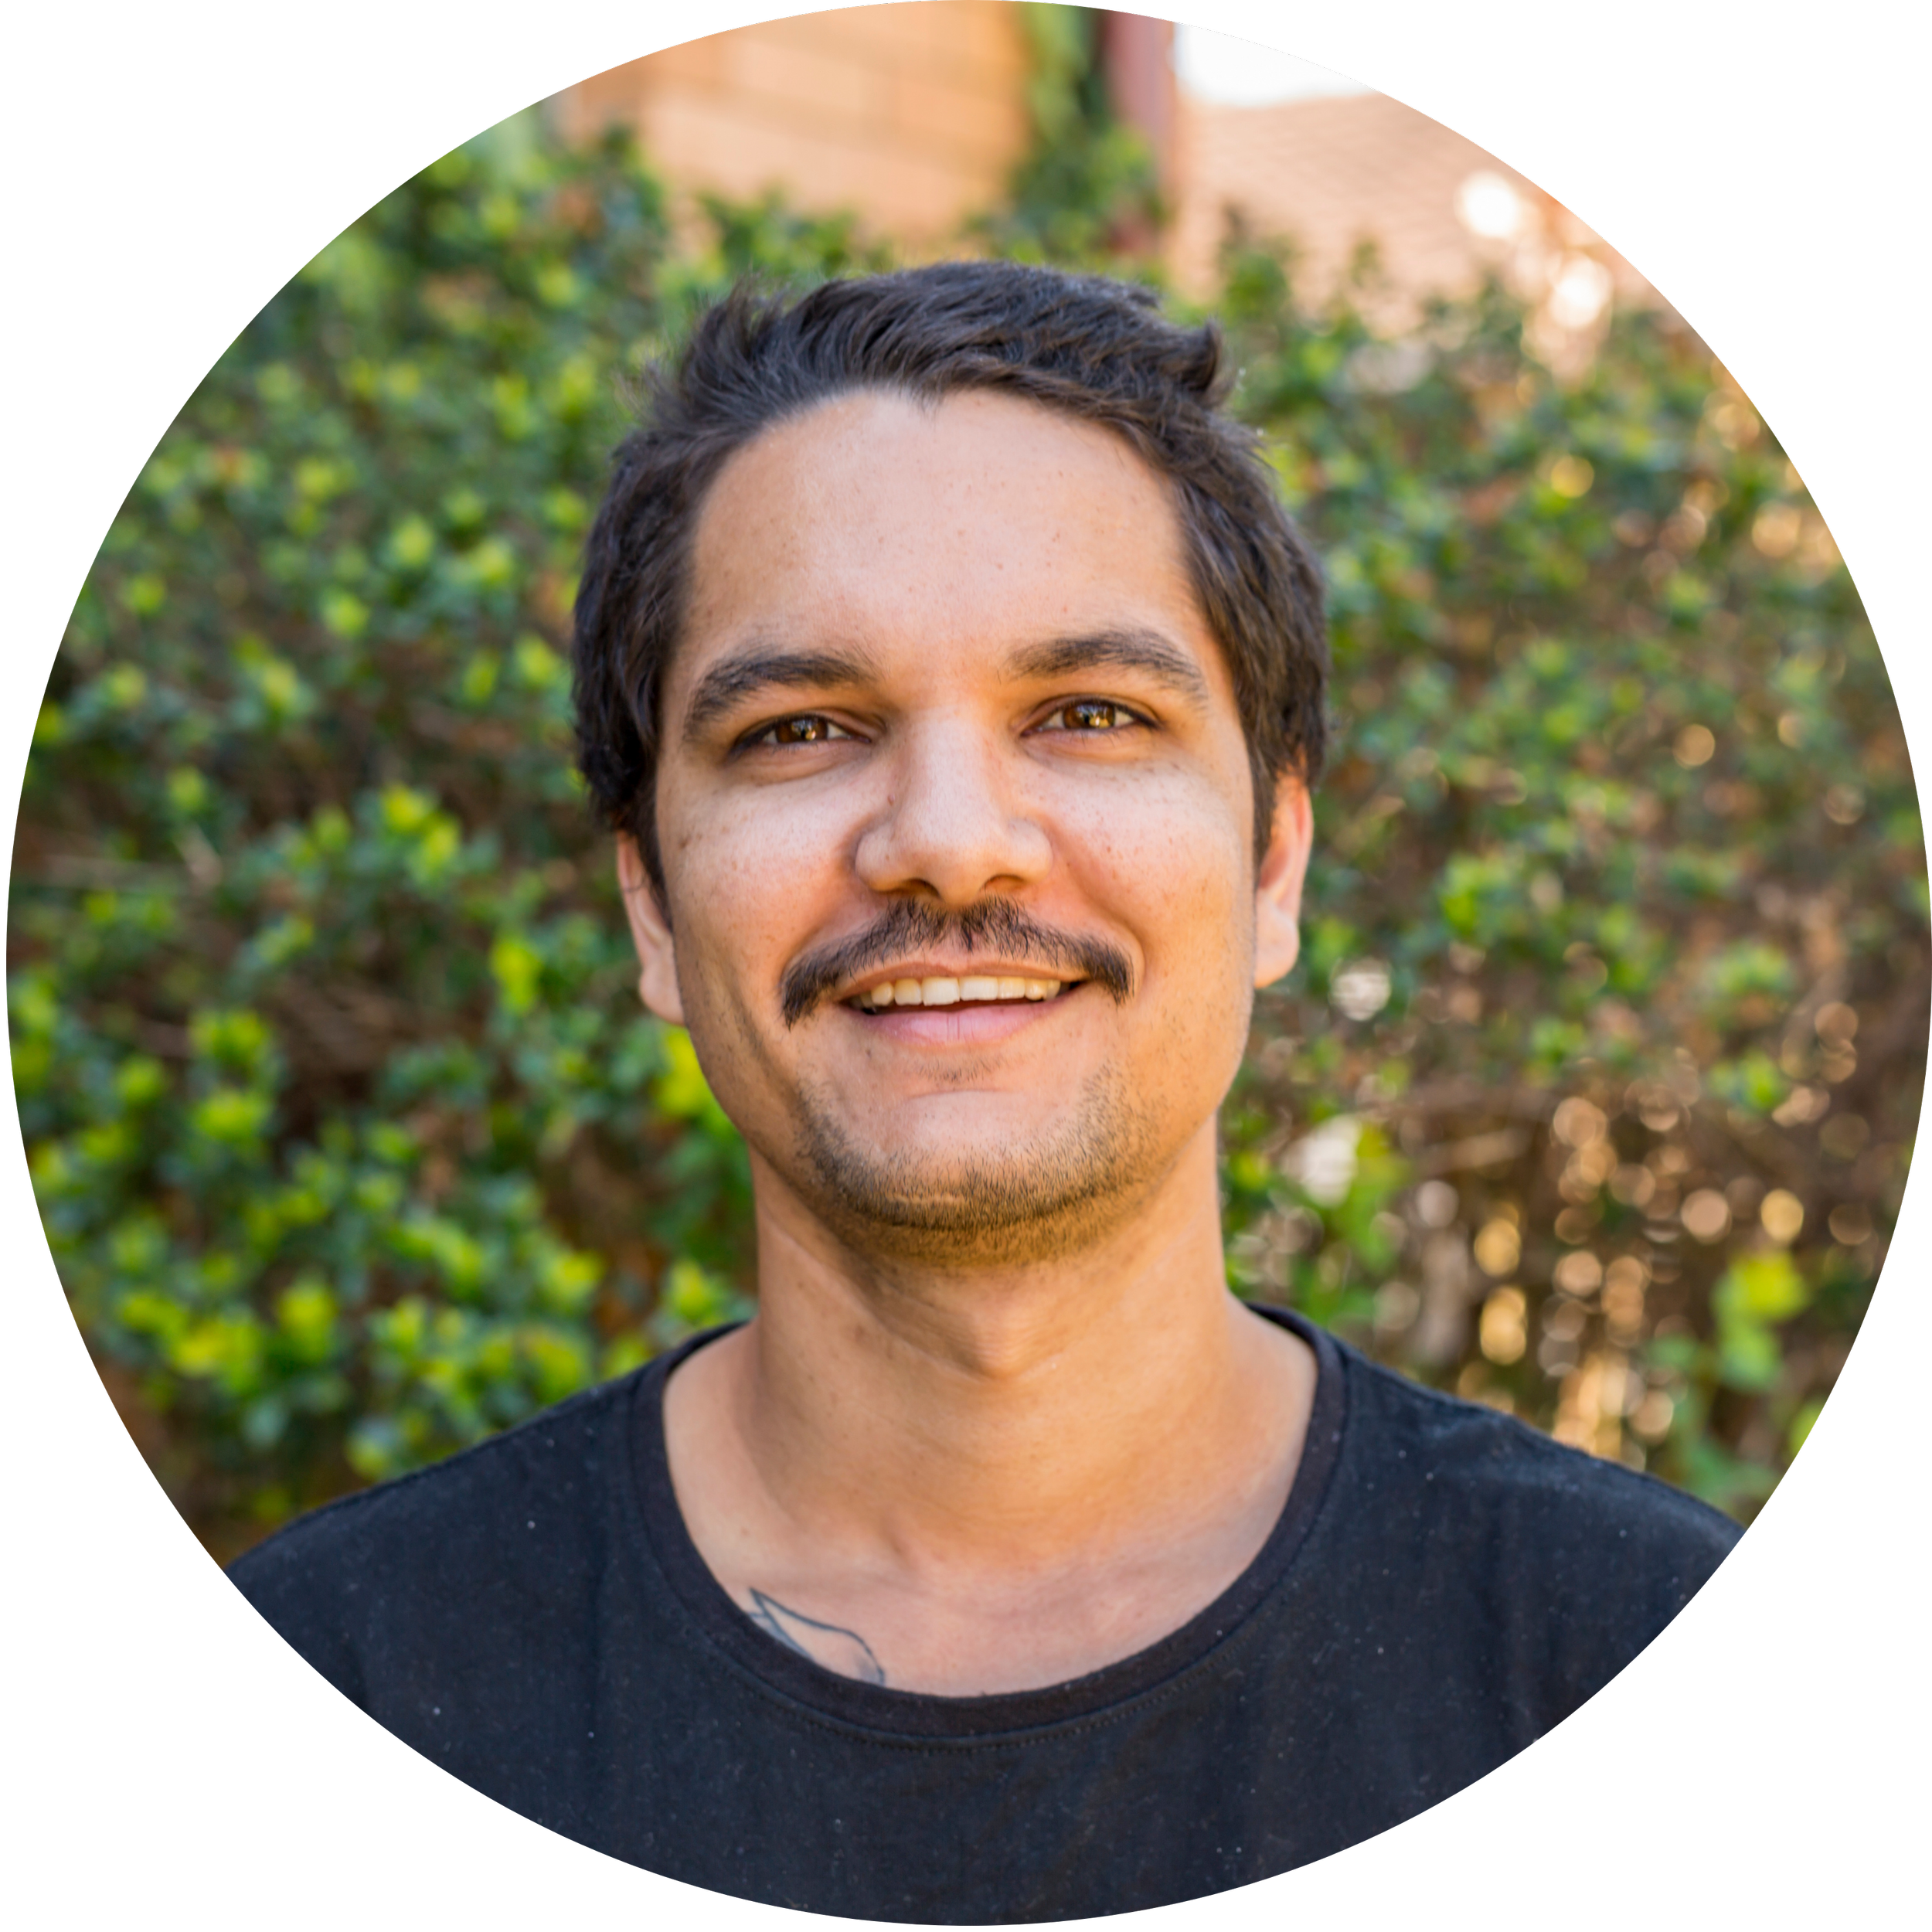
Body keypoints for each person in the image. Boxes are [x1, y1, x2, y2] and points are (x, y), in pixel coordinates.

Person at [229, 260, 1741, 1922]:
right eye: (803, 727)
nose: (948, 836)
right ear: (650, 904)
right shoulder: (349, 1660)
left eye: (1087, 713)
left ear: (1274, 861)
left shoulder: (1616, 1638)